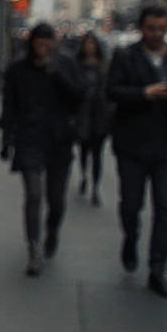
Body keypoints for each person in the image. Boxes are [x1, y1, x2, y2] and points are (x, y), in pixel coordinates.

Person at [107, 4, 167, 299]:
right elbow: (112, 92)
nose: (157, 34)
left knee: (164, 209)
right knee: (131, 205)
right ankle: (130, 238)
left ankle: (158, 270)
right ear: (141, 27)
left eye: (161, 29)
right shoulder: (125, 56)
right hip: (132, 145)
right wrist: (146, 93)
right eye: (151, 29)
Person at [0, 24, 84, 277]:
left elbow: (78, 97)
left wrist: (55, 72)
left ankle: (53, 229)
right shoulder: (17, 70)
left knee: (56, 199)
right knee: (34, 194)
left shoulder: (65, 65)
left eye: (48, 42)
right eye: (39, 42)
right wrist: (6, 141)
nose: (43, 47)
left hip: (59, 140)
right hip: (29, 138)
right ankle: (33, 250)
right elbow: (9, 106)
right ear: (32, 43)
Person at [75, 32, 113, 205]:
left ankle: (95, 187)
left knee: (97, 154)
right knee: (83, 150)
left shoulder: (103, 67)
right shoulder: (77, 65)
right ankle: (83, 175)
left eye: (93, 43)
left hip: (99, 117)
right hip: (83, 116)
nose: (90, 47)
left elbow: (109, 92)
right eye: (87, 43)